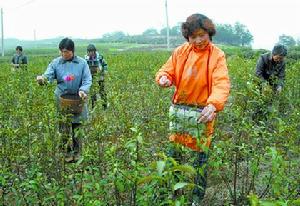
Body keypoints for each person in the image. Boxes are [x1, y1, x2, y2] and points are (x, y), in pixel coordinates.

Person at [155, 13, 230, 204]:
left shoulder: (217, 55)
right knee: (174, 155)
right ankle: (173, 193)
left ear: (209, 33)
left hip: (203, 113)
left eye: (201, 35)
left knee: (201, 160)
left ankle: (196, 198)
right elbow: (167, 70)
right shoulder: (181, 52)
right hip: (180, 112)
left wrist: (213, 104)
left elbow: (221, 83)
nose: (198, 40)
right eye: (193, 37)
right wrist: (164, 78)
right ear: (187, 37)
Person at [36, 38, 92, 163]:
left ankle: (77, 153)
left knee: (77, 126)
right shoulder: (56, 63)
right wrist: (42, 79)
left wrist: (83, 90)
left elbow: (87, 79)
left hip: (78, 99)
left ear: (72, 51)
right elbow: (48, 76)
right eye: (62, 52)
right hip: (62, 99)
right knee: (64, 126)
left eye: (66, 52)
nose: (63, 54)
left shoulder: (82, 63)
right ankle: (67, 153)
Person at [84, 44, 108, 109]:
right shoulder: (86, 59)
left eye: (91, 52)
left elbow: (105, 65)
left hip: (100, 77)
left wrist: (104, 71)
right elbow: (84, 67)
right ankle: (93, 107)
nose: (89, 53)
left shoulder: (100, 57)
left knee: (102, 91)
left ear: (94, 51)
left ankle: (104, 106)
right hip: (91, 77)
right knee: (93, 92)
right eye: (88, 52)